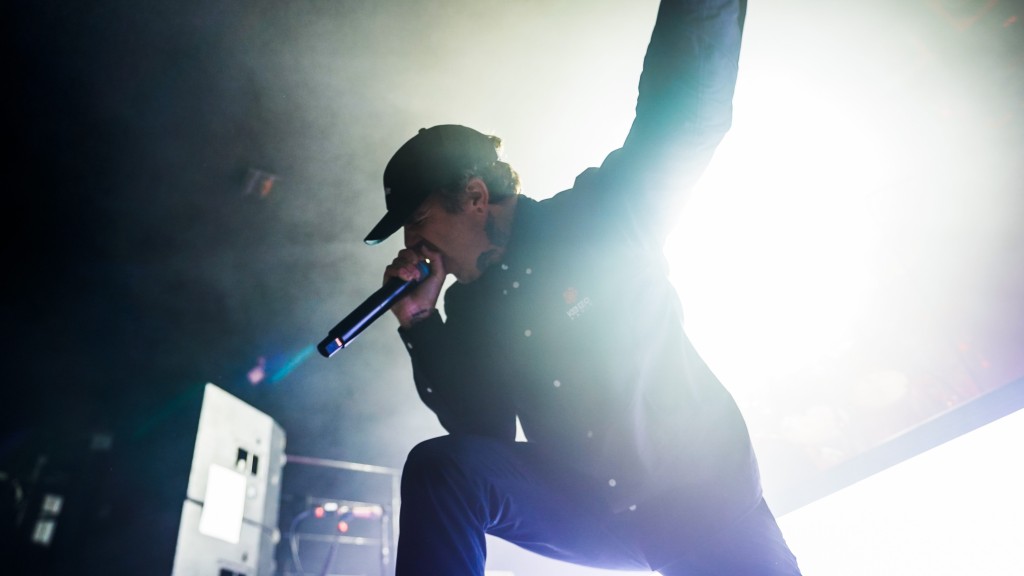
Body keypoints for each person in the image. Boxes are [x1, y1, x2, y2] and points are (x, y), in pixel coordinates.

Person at [362, 0, 801, 574]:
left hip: (705, 501)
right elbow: (483, 433)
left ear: (472, 197)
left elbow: (686, 115)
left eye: (418, 221)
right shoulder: (471, 304)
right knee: (440, 467)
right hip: (595, 511)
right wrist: (423, 324)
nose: (414, 244)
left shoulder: (598, 217)